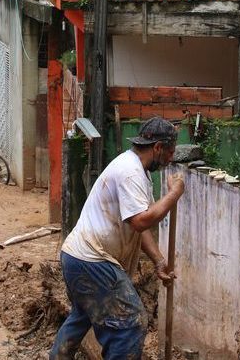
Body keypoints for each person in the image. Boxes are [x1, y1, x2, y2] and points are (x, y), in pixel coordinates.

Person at [50, 116, 185, 359]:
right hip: (92, 259)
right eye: (170, 152)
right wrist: (174, 194)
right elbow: (141, 221)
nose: (171, 158)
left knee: (82, 316)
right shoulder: (130, 172)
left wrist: (158, 261)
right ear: (157, 148)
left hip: (78, 257)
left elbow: (138, 228)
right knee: (131, 324)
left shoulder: (135, 170)